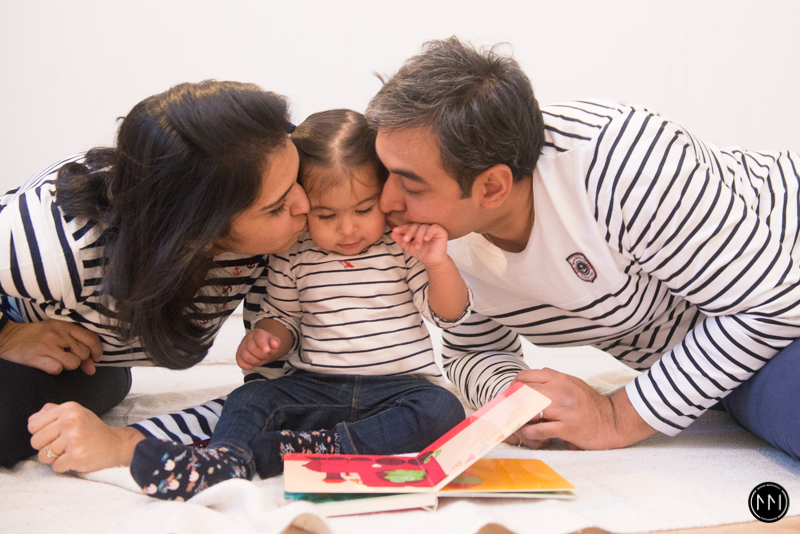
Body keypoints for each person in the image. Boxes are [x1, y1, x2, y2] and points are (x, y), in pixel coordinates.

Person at [365, 36, 800, 459]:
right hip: (730, 340)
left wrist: (617, 417)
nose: (385, 203)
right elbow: (471, 349)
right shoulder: (437, 236)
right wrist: (517, 401)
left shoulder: (623, 162)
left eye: (411, 185)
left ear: (492, 187)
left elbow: (774, 301)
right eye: (384, 173)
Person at [128, 109, 469, 500]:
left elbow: (449, 314)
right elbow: (283, 317)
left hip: (398, 389)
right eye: (326, 215)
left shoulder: (402, 247)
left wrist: (438, 263)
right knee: (250, 397)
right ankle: (224, 460)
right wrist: (266, 338)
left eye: (363, 209)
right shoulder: (293, 253)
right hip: (315, 387)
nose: (347, 228)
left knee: (443, 409)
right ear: (303, 205)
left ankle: (318, 447)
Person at [1, 80, 311, 469]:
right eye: (277, 206)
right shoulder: (57, 247)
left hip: (95, 356)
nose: (306, 205)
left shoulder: (286, 238)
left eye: (298, 178)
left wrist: (129, 441)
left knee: (90, 388)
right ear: (196, 231)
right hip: (24, 318)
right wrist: (8, 335)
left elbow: (278, 399)